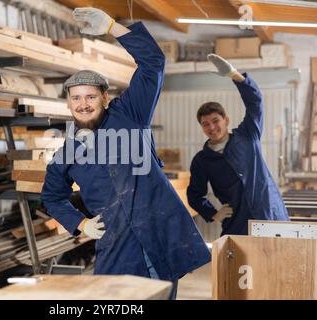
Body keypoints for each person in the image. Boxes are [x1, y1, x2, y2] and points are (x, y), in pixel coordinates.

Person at [41, 7, 211, 299]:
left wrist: (112, 26)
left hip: (160, 236)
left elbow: (153, 62)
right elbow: (51, 197)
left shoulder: (130, 113)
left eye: (90, 96)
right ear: (68, 103)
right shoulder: (67, 153)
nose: (83, 104)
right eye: (76, 98)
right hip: (117, 248)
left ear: (105, 98)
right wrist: (81, 223)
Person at [187, 54, 290, 236]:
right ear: (202, 128)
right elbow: (194, 195)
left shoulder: (247, 135)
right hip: (237, 223)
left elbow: (255, 103)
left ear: (226, 120)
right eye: (205, 124)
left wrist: (235, 75)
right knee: (239, 263)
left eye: (215, 120)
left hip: (269, 214)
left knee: (276, 261)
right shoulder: (202, 161)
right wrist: (214, 214)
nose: (212, 127)